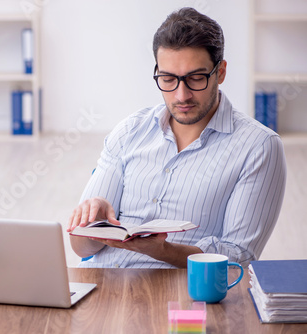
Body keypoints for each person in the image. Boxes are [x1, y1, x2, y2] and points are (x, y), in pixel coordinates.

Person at [66, 7, 287, 269]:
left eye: (196, 78)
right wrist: (90, 227)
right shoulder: (129, 131)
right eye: (168, 79)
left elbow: (239, 257)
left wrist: (164, 250)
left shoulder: (258, 146)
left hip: (183, 291)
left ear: (221, 72)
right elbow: (81, 248)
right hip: (102, 285)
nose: (181, 95)